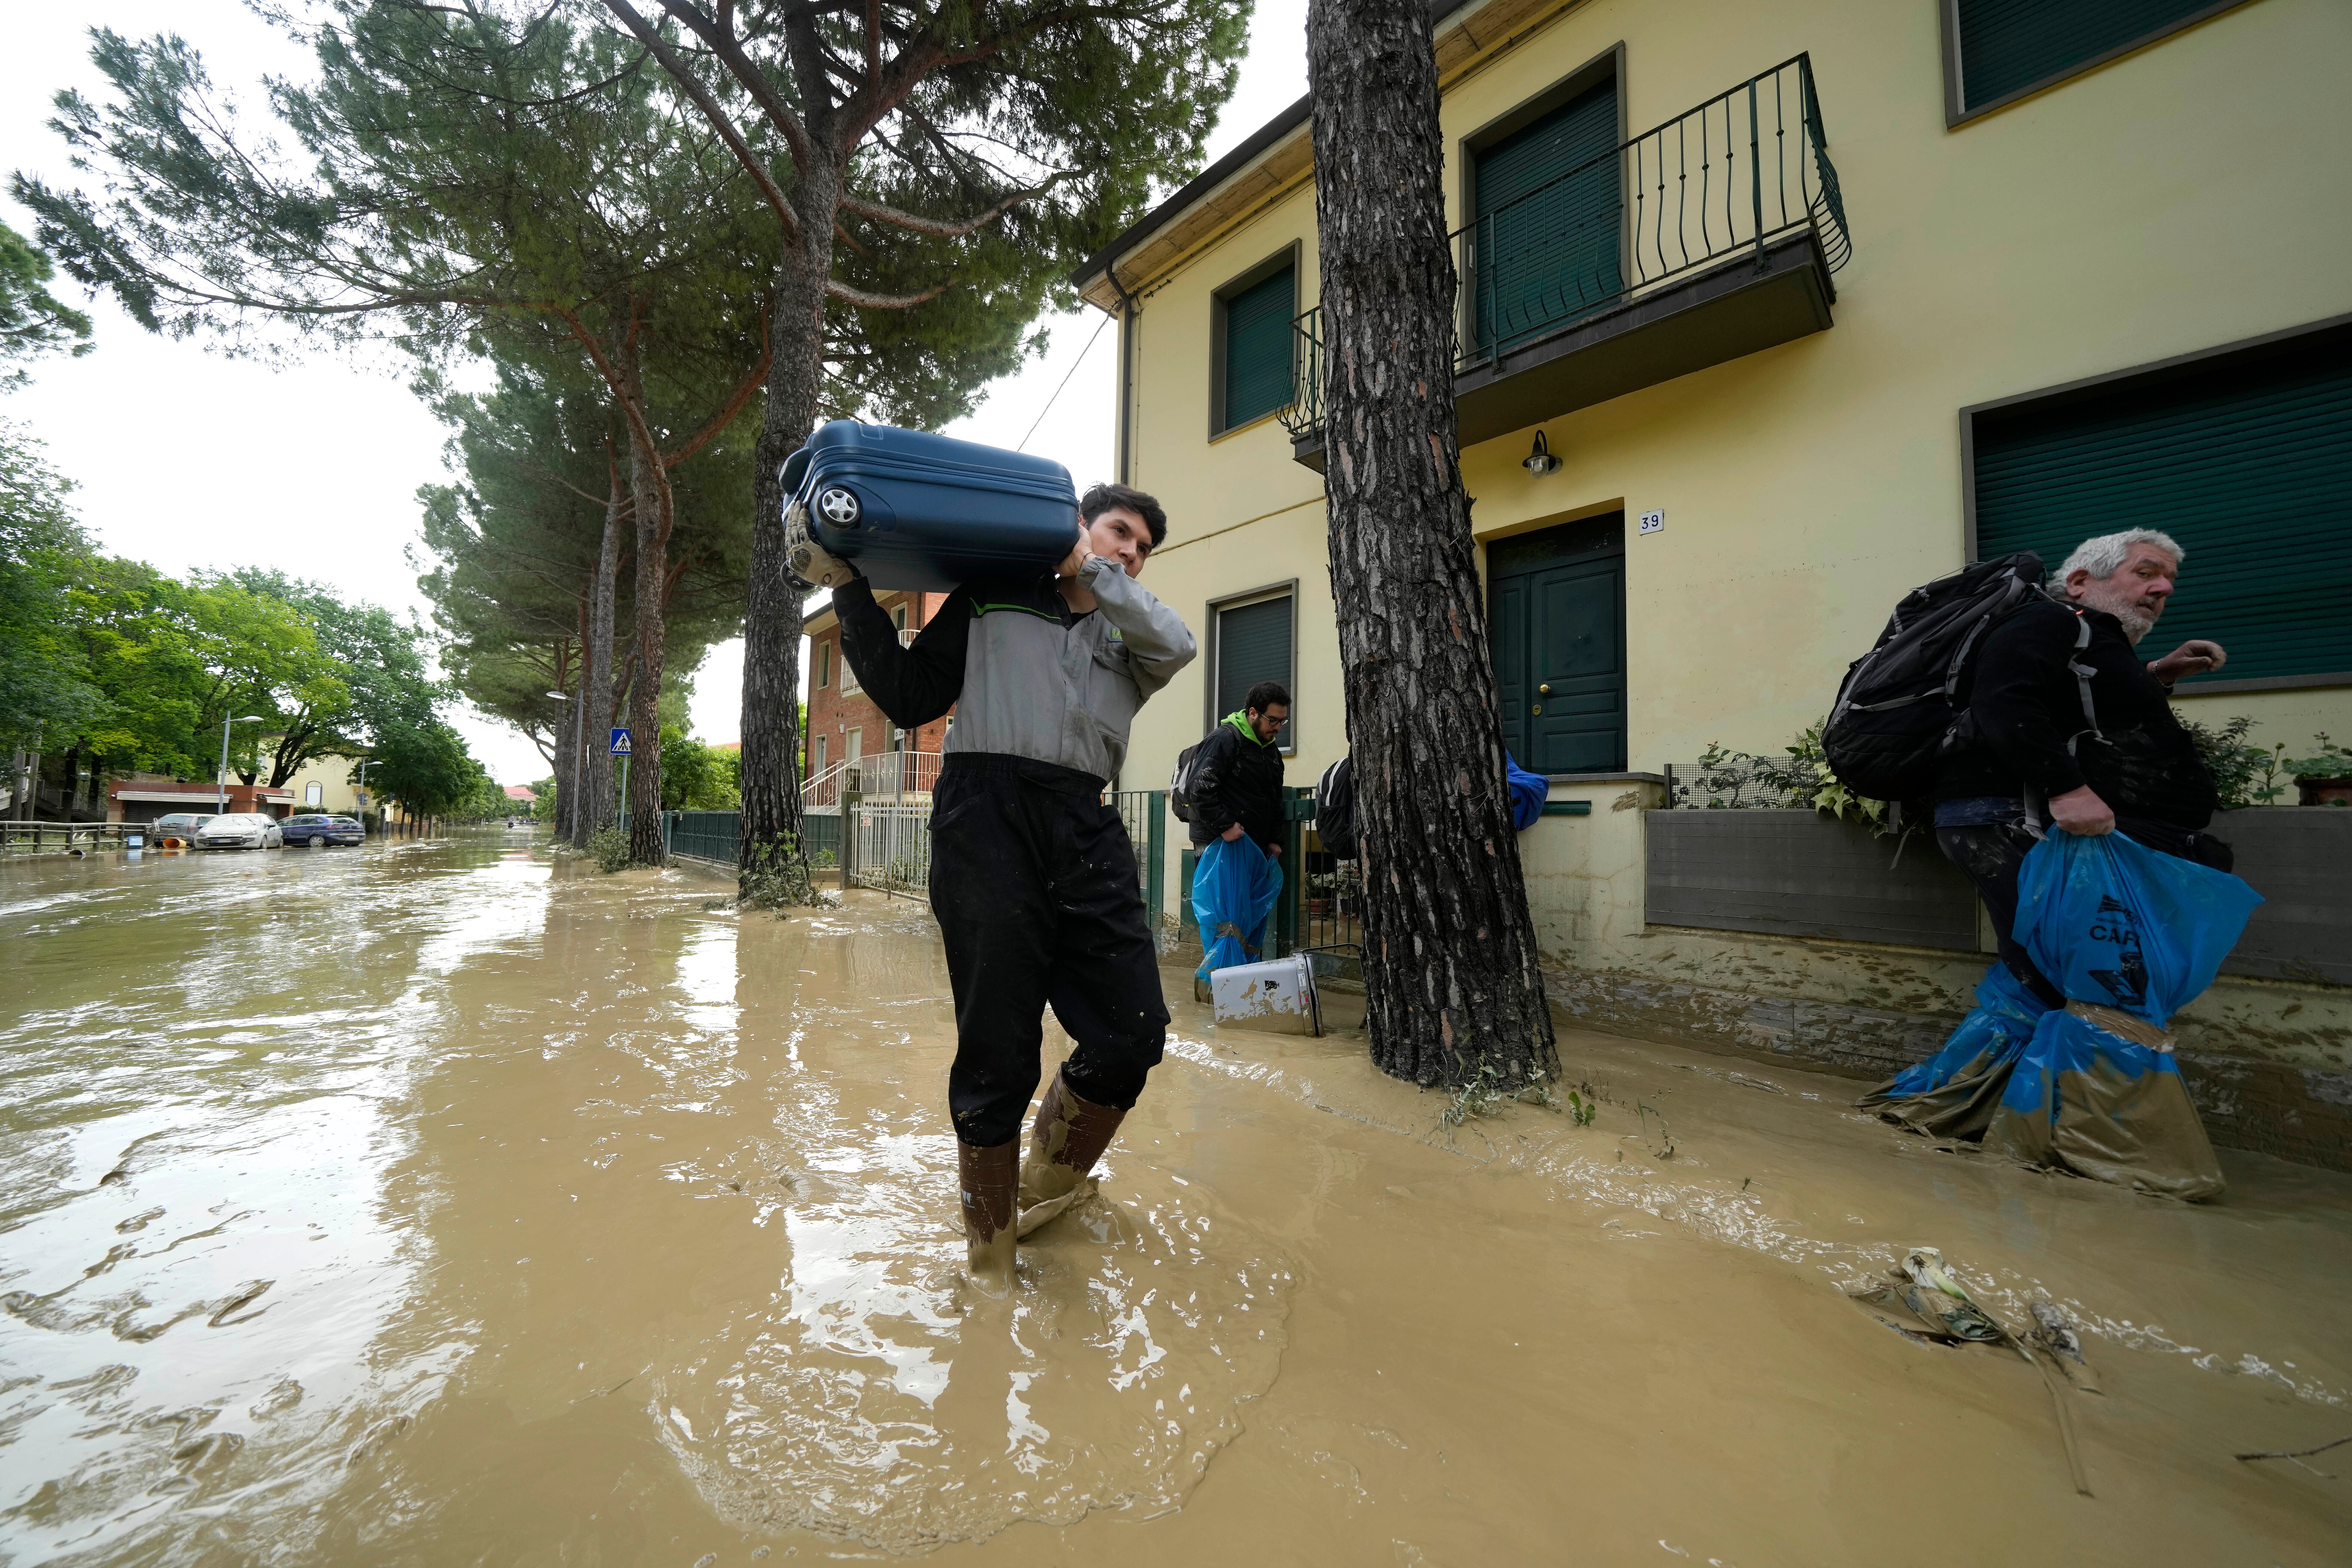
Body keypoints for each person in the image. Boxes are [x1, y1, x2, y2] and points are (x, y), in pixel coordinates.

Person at [812, 482, 1196, 1288]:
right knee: (998, 1045)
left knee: (1135, 1031)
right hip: (983, 815)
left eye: (1141, 549)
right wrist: (849, 592)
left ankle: (1036, 1189)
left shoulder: (1137, 636)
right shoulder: (992, 598)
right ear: (1078, 525)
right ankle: (989, 1262)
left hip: (1083, 826)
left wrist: (1100, 573)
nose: (1128, 552)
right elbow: (912, 694)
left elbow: (1180, 643)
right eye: (1117, 532)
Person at [1932, 528, 2230, 1009]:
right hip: (2017, 817)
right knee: (2074, 977)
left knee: (2066, 973)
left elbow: (2076, 704)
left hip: (2029, 819)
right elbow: (2004, 699)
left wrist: (2158, 673)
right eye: (2146, 573)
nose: (2165, 589)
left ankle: (2014, 1077)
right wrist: (2066, 788)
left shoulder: (2088, 636)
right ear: (2078, 581)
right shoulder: (2052, 621)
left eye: (2170, 580)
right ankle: (2072, 1078)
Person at [1187, 681, 1290, 862]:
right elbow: (1199, 789)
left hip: (1253, 846)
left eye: (1283, 721)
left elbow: (1274, 798)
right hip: (1218, 845)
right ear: (1253, 713)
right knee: (1221, 892)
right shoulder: (1224, 740)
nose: (1278, 727)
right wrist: (1225, 827)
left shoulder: (1271, 751)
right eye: (1272, 720)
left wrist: (1275, 839)